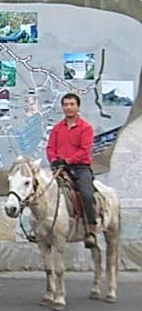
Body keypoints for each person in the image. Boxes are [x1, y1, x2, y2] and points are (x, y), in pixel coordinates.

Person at [46, 92, 97, 248]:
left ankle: (90, 230)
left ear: (78, 107)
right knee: (41, 191)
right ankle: (42, 229)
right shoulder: (57, 128)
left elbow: (84, 150)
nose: (68, 107)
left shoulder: (86, 128)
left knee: (87, 194)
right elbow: (50, 147)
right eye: (65, 105)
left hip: (80, 167)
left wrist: (68, 160)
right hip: (59, 167)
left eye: (71, 104)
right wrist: (54, 160)